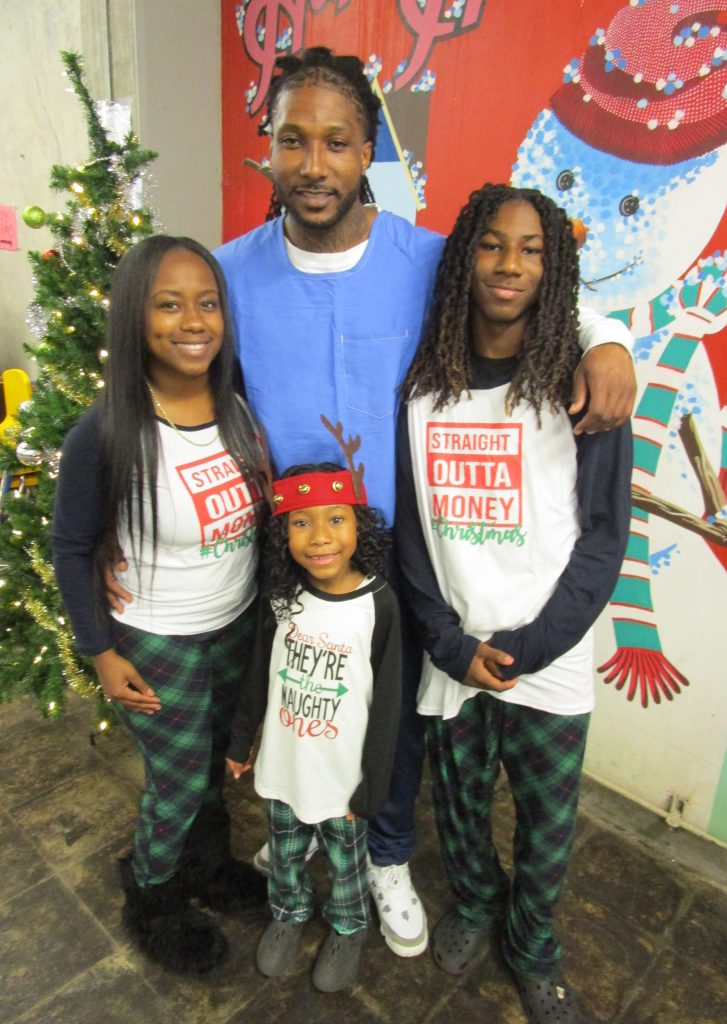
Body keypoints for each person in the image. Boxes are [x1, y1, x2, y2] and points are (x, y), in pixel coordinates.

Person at [112, 46, 637, 958]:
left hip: (396, 558)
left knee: (388, 722)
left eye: (337, 142)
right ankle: (288, 855)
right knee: (288, 710)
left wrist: (611, 338)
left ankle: (387, 857)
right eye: (292, 141)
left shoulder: (427, 258)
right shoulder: (230, 273)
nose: (313, 165)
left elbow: (522, 284)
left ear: (368, 153)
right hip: (278, 551)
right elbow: (158, 363)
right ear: (268, 149)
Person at [396, 184, 632, 1022]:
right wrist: (447, 642)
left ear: (554, 263)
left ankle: (533, 947)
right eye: (493, 245)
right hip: (456, 654)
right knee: (458, 812)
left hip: (549, 661)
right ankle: (475, 903)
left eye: (532, 249)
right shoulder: (425, 384)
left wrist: (533, 646)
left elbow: (604, 537)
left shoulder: (580, 385)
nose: (509, 265)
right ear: (466, 257)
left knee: (546, 827)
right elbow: (415, 531)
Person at [52, 235, 268, 975]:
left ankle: (209, 868)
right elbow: (71, 547)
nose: (192, 321)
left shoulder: (236, 402)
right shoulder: (108, 430)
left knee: (213, 770)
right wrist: (101, 654)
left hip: (233, 621)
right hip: (155, 637)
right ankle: (151, 896)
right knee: (175, 788)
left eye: (206, 303)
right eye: (169, 304)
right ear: (135, 319)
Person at [225, 458, 401, 992]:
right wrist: (240, 741)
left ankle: (349, 925)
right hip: (284, 765)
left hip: (342, 778)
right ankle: (288, 910)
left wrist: (371, 787)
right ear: (283, 534)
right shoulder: (282, 598)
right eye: (301, 522)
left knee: (347, 863)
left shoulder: (378, 605)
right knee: (282, 849)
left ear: (359, 526)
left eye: (335, 520)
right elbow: (259, 672)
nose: (320, 537)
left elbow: (389, 706)